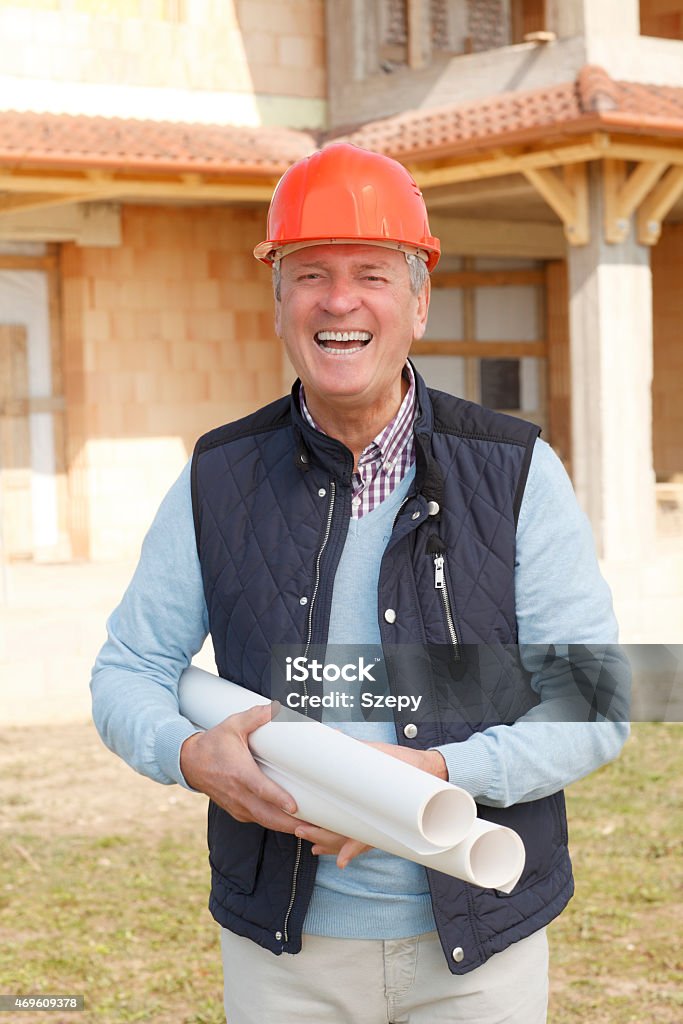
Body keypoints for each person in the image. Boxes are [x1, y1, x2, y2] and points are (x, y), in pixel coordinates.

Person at [91, 142, 629, 1024]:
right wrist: (190, 755)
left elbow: (598, 698)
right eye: (309, 274)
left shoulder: (516, 470)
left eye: (371, 273)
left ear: (419, 301)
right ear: (278, 304)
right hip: (286, 957)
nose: (338, 300)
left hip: (480, 946)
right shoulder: (218, 476)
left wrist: (434, 774)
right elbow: (128, 668)